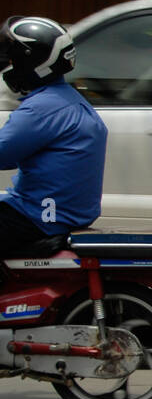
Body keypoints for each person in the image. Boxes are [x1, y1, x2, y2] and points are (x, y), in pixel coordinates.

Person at [0, 16, 107, 255]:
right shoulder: (71, 101)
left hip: (39, 218)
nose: (9, 65)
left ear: (30, 62)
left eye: (13, 59)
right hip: (62, 215)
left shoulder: (42, 108)